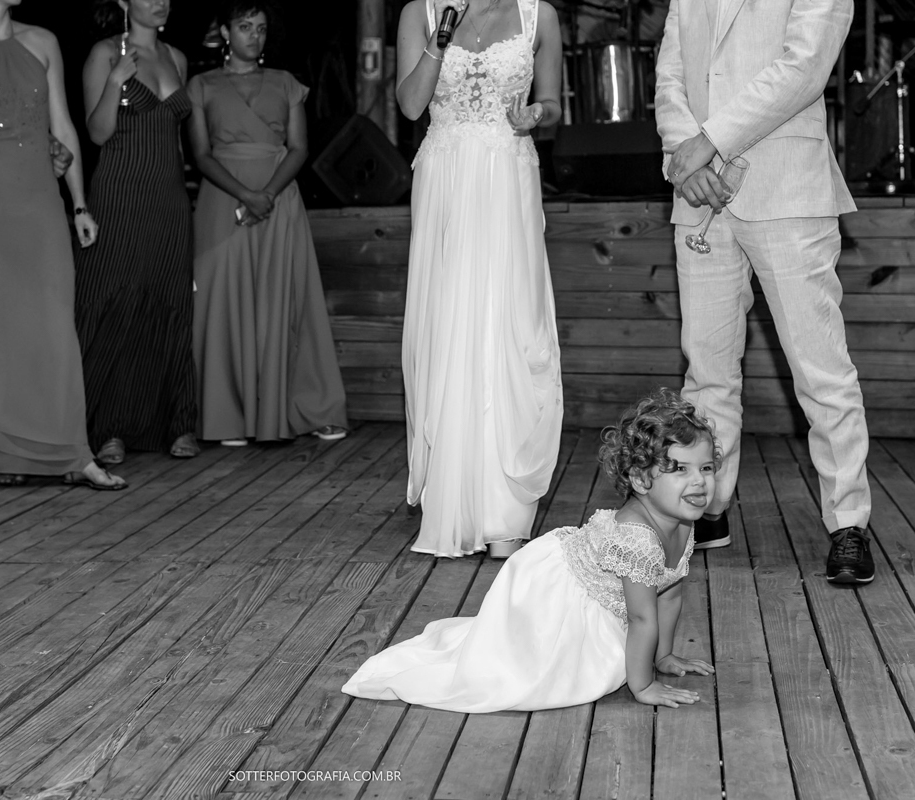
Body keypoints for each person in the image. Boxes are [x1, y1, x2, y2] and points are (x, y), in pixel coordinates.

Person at [656, 0, 873, 584]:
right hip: (698, 195)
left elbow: (803, 67)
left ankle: (848, 520)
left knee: (819, 368)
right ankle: (706, 505)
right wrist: (686, 158)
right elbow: (670, 73)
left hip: (788, 190)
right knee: (706, 368)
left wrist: (710, 140)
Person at [342, 388, 716, 712]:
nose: (699, 481)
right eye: (679, 470)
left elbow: (668, 593)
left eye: (707, 467)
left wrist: (662, 655)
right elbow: (641, 619)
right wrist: (643, 683)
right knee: (527, 671)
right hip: (551, 595)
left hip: (603, 598)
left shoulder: (682, 520)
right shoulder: (637, 537)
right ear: (640, 479)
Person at [0, 0, 124, 490]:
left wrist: (78, 203)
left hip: (37, 197)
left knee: (53, 321)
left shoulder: (43, 40)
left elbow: (64, 127)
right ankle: (2, 452)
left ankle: (75, 452)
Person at [394, 0, 564, 559]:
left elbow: (554, 105)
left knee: (510, 327)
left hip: (508, 179)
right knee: (450, 330)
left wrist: (535, 116)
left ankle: (504, 511)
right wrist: (439, 41)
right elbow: (411, 103)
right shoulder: (420, 11)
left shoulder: (540, 14)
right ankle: (455, 497)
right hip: (446, 180)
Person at [186, 1, 349, 447]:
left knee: (288, 301)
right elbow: (199, 155)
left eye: (259, 28)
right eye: (243, 27)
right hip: (224, 200)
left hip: (279, 199)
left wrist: (268, 195)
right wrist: (247, 196)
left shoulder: (286, 83)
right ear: (225, 32)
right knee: (222, 304)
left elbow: (299, 148)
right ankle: (228, 416)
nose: (253, 36)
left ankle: (307, 409)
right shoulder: (200, 85)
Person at [74, 0, 199, 465]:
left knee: (169, 302)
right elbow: (97, 133)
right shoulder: (104, 53)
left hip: (168, 198)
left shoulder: (178, 57)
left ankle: (176, 423)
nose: (161, 2)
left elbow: (178, 136)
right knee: (116, 303)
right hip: (121, 193)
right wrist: (113, 81)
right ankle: (109, 429)